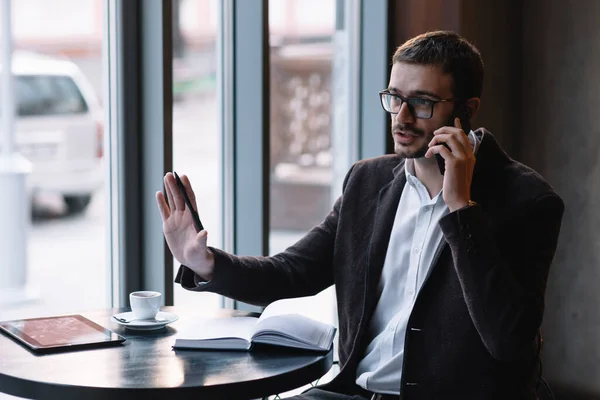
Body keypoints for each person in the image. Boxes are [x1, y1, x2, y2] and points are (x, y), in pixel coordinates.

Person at [156, 31, 564, 400]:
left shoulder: (527, 200)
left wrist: (461, 209)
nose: (401, 118)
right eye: (394, 98)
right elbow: (291, 271)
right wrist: (203, 263)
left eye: (422, 103)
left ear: (467, 109)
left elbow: (508, 340)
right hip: (353, 393)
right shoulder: (368, 182)